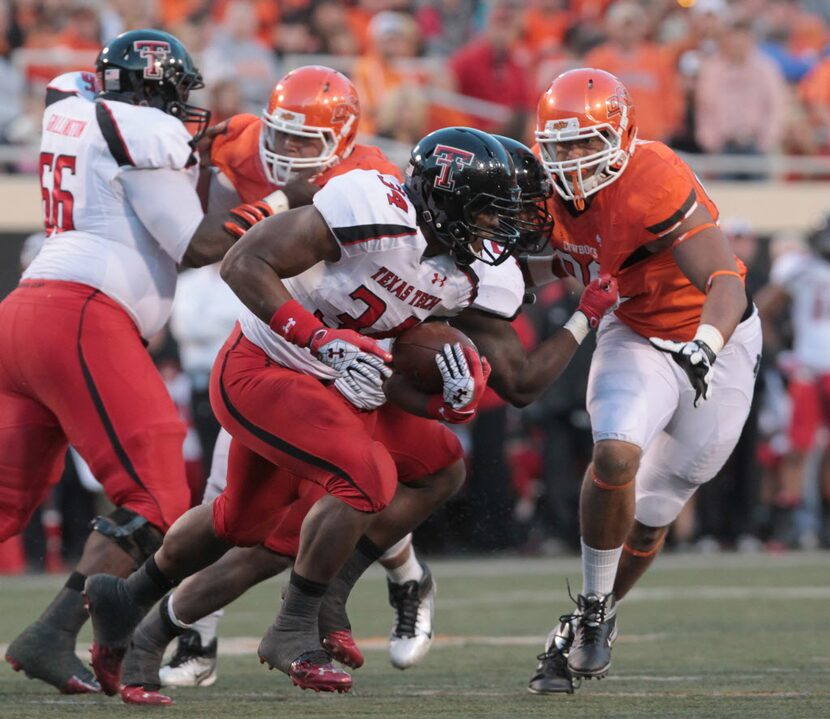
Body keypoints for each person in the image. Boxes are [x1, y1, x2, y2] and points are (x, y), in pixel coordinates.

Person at [82, 127, 619, 698]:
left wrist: (442, 403)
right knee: (367, 476)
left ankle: (133, 603)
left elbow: (457, 373)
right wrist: (317, 339)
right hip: (264, 365)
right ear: (449, 198)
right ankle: (294, 627)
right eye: (493, 212)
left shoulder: (473, 276)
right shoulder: (374, 206)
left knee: (251, 517)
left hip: (334, 384)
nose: (504, 229)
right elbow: (244, 262)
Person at [0, 29, 280, 695]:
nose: (184, 111)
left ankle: (50, 633)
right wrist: (282, 202)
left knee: (6, 502)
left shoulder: (75, 104)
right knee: (156, 494)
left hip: (27, 312)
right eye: (174, 96)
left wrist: (203, 166)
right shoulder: (139, 129)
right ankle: (55, 631)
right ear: (151, 92)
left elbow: (71, 86)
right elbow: (195, 243)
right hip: (80, 317)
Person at [159, 65, 441, 689]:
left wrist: (279, 203)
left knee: (347, 490)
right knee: (228, 502)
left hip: (347, 351)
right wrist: (193, 176)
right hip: (274, 337)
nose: (284, 153)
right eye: (279, 137)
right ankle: (197, 639)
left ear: (341, 138)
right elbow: (200, 144)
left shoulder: (367, 176)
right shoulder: (249, 135)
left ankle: (406, 575)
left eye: (301, 142)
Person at [524, 68, 762, 694]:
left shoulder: (651, 174)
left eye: (585, 143)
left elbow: (726, 283)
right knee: (615, 450)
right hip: (631, 331)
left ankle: (582, 620)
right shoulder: (536, 188)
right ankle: (597, 612)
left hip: (718, 337)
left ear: (622, 133)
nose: (571, 160)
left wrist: (706, 347)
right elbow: (525, 264)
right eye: (561, 145)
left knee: (657, 510)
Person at [756, 218, 830, 548]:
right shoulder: (799, 267)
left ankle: (822, 525)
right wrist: (778, 355)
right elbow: (762, 309)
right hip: (808, 368)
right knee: (796, 449)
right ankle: (786, 526)